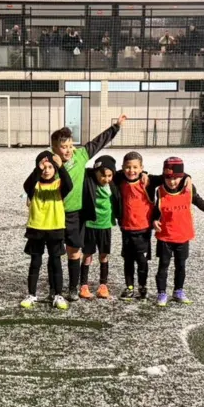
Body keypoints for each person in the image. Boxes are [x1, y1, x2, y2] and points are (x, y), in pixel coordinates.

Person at [50, 115, 126, 301]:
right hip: (55, 214)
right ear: (54, 148)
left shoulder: (81, 155)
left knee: (74, 251)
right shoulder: (50, 163)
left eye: (69, 146)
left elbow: (98, 142)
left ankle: (73, 288)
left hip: (76, 214)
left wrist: (115, 127)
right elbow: (37, 180)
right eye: (63, 147)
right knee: (54, 253)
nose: (67, 150)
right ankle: (54, 288)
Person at [149, 157, 204, 307]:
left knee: (180, 265)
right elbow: (157, 210)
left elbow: (200, 202)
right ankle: (161, 293)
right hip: (165, 237)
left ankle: (178, 291)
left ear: (182, 176)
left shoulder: (189, 189)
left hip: (183, 236)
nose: (172, 181)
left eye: (176, 178)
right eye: (168, 178)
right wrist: (154, 220)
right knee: (163, 265)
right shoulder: (160, 190)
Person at [21, 151, 72, 311]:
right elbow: (26, 185)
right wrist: (38, 169)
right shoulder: (33, 186)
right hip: (36, 229)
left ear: (55, 169)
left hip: (55, 229)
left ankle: (58, 295)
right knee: (35, 262)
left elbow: (69, 184)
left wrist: (61, 166)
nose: (46, 170)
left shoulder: (59, 185)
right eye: (44, 167)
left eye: (50, 167)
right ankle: (31, 294)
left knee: (56, 262)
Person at [79, 155, 123, 300]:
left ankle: (103, 285)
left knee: (103, 255)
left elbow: (131, 173)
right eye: (102, 175)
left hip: (106, 225)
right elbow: (81, 170)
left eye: (109, 176)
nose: (106, 179)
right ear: (95, 172)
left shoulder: (113, 183)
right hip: (90, 224)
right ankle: (83, 285)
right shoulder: (89, 181)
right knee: (87, 255)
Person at [118, 151, 153, 300]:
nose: (131, 171)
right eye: (127, 167)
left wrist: (145, 174)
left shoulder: (148, 182)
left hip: (143, 229)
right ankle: (129, 286)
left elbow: (166, 178)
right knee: (128, 260)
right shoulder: (119, 180)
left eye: (135, 167)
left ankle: (142, 286)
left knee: (142, 261)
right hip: (126, 229)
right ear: (122, 167)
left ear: (141, 168)